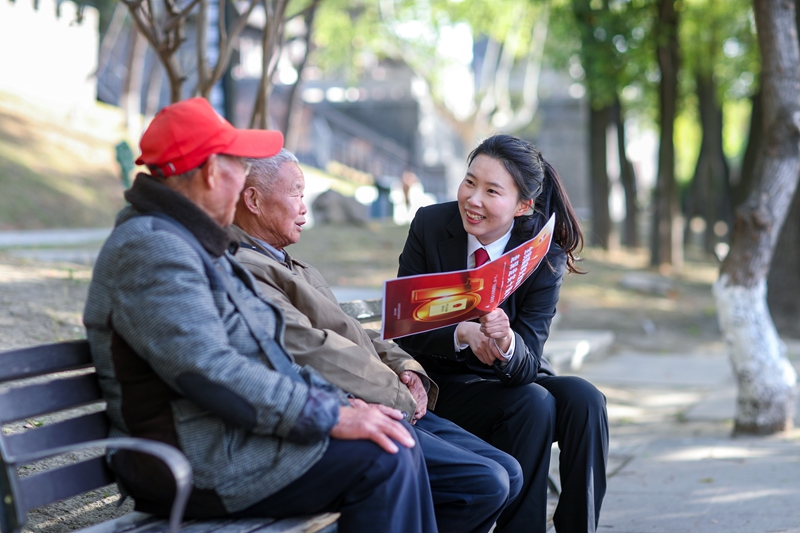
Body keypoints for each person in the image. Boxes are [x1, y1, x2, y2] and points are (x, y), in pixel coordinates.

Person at [82, 97, 438, 533]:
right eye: (238, 164)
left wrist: (339, 403)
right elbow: (211, 371)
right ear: (213, 173)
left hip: (234, 438)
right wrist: (332, 415)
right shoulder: (153, 248)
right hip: (194, 461)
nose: (244, 176)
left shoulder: (195, 244)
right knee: (386, 455)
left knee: (393, 441)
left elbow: (264, 349)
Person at [230, 149, 522, 533]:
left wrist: (407, 368)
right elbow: (312, 349)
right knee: (485, 482)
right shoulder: (246, 268)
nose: (305, 207)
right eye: (297, 194)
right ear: (252, 200)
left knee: (510, 474)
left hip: (387, 397)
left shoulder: (288, 262)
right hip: (358, 408)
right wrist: (397, 393)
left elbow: (354, 331)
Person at [396, 134, 609, 533]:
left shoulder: (543, 253)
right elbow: (404, 328)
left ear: (523, 205)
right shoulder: (430, 224)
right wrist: (462, 333)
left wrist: (507, 342)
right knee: (534, 403)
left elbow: (530, 355)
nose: (473, 199)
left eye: (492, 191)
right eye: (469, 182)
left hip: (513, 377)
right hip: (444, 386)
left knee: (585, 399)